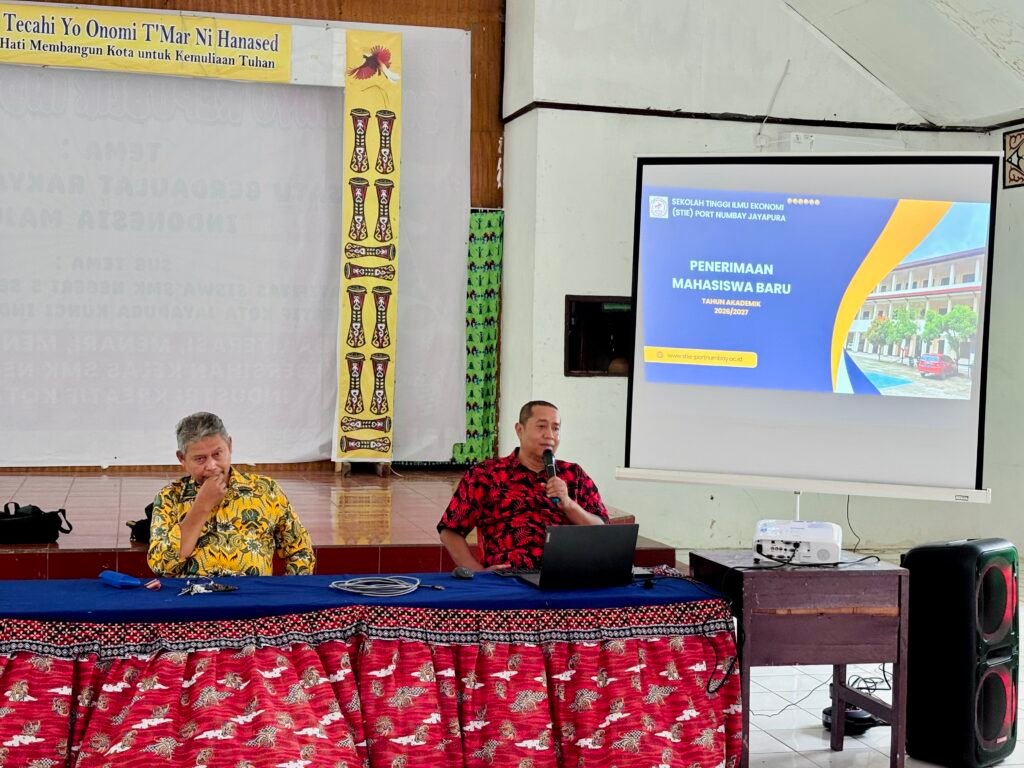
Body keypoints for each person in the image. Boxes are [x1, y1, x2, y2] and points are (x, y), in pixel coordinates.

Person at [438, 400, 607, 571]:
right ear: (520, 430)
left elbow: (602, 532)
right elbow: (450, 530)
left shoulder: (574, 475)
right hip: (509, 575)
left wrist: (569, 504)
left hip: (566, 574)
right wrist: (478, 575)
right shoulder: (486, 474)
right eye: (541, 426)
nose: (549, 435)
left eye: (556, 428)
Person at [147, 412, 316, 577]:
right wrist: (201, 506)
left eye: (217, 454)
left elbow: (300, 551)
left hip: (253, 594)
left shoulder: (266, 490)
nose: (212, 466)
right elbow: (162, 566)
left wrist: (286, 592)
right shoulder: (170, 497)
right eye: (200, 459)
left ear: (229, 446)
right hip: (192, 593)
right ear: (182, 459)